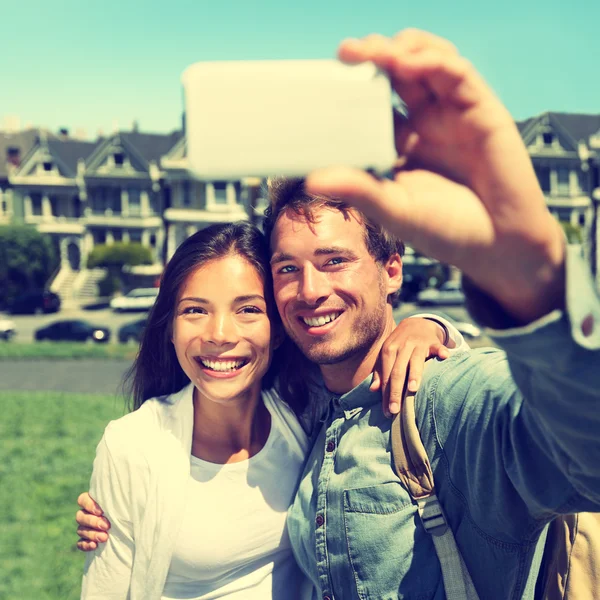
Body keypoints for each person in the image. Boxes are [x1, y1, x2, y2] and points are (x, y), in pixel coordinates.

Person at [78, 28, 600, 599]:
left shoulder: (445, 401)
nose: (309, 290)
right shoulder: (303, 402)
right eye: (286, 269)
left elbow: (584, 457)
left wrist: (537, 287)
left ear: (392, 269)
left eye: (334, 260)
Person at [79, 220, 461, 599]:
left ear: (276, 329)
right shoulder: (134, 445)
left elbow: (369, 349)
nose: (220, 334)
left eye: (247, 310)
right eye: (195, 310)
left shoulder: (305, 411)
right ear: (171, 327)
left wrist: (431, 326)